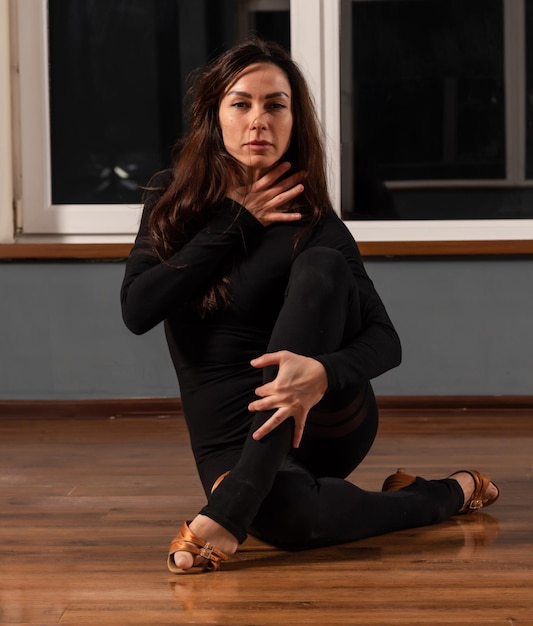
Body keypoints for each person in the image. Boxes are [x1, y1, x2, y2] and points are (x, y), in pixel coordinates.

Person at [120, 38, 499, 574]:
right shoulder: (171, 197)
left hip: (325, 422)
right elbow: (138, 308)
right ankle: (445, 494)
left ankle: (233, 506)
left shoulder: (315, 220)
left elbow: (384, 340)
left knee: (323, 266)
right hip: (229, 434)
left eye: (275, 104)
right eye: (241, 103)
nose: (259, 120)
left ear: (294, 120)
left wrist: (322, 372)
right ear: (214, 117)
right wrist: (237, 222)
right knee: (295, 522)